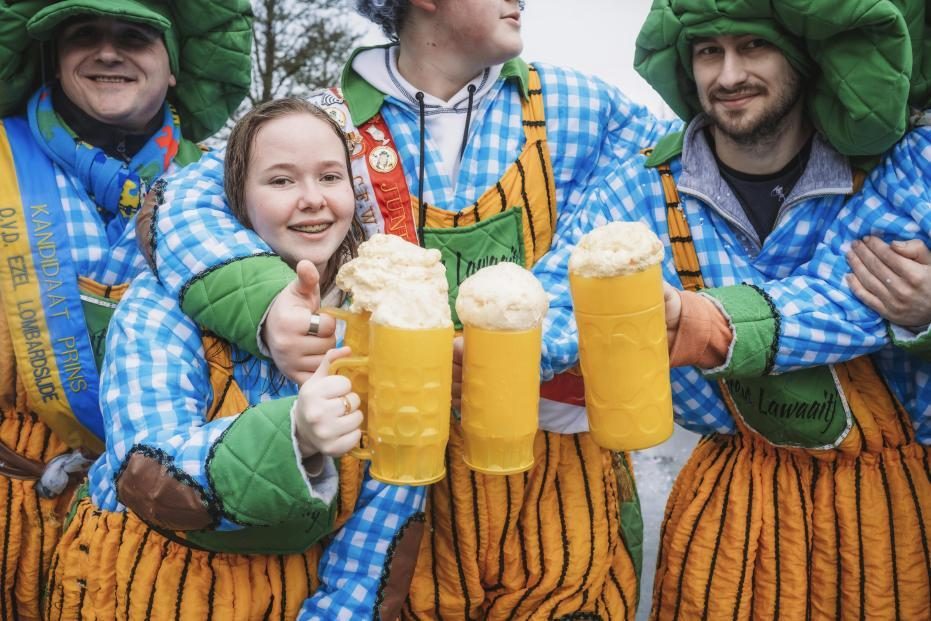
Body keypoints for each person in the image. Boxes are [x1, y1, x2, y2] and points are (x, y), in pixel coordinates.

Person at [139, 0, 679, 617]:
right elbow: (179, 205)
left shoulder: (582, 106)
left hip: (555, 475)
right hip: (394, 484)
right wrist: (269, 308)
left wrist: (530, 333)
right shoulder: (326, 118)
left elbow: (647, 194)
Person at [553, 0, 930, 618]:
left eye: (753, 47)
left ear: (803, 58)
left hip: (891, 507)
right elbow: (563, 285)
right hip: (732, 509)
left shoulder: (901, 165)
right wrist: (492, 339)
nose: (728, 76)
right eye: (708, 52)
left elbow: (841, 294)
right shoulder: (645, 186)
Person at [45, 98, 426, 620]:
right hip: (144, 585)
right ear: (238, 200)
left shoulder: (382, 320)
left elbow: (375, 541)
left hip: (294, 594)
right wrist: (294, 435)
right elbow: (148, 472)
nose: (312, 199)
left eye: (330, 176)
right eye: (281, 181)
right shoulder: (158, 304)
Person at [0, 1, 251, 618]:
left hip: (146, 543)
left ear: (173, 69)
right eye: (83, 33)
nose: (108, 51)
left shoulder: (225, 186)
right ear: (54, 62)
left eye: (135, 36)